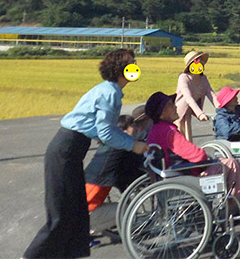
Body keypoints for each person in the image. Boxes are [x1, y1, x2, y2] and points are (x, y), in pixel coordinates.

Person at [23, 49, 148, 259]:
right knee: (61, 214)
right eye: (131, 63)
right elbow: (106, 132)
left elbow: (108, 128)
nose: (135, 65)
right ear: (120, 69)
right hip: (66, 149)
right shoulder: (110, 93)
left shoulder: (111, 91)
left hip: (71, 150)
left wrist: (132, 141)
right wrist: (131, 144)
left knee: (77, 212)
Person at [145, 91, 240, 209]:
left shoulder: (154, 130)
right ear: (161, 113)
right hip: (183, 176)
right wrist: (208, 158)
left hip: (166, 176)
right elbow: (198, 156)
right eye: (171, 105)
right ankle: (237, 204)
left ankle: (238, 201)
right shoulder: (169, 132)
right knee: (231, 163)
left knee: (225, 163)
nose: (175, 106)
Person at [84, 106, 151, 213]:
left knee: (128, 210)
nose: (135, 130)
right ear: (122, 131)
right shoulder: (119, 147)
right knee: (128, 212)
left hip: (88, 198)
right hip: (88, 211)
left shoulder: (109, 148)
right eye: (132, 126)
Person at [175, 50, 218, 143]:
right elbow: (188, 97)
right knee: (180, 139)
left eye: (201, 61)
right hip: (179, 113)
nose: (201, 64)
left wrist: (221, 109)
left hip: (189, 112)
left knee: (188, 140)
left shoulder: (203, 79)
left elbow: (211, 94)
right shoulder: (184, 78)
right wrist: (200, 114)